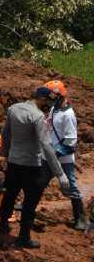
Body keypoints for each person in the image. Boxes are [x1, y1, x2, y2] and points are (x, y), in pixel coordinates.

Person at [0, 87, 70, 248]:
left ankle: (2, 227)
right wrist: (60, 173)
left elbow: (5, 133)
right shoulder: (37, 117)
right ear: (43, 100)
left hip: (14, 163)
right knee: (30, 203)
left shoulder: (13, 109)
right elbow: (46, 146)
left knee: (9, 196)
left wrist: (5, 154)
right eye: (49, 102)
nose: (50, 106)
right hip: (32, 166)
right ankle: (24, 237)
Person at [42, 80, 87, 230]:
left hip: (63, 158)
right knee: (39, 182)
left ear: (59, 96)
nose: (49, 100)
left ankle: (80, 218)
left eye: (52, 97)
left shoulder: (68, 115)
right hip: (50, 155)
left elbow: (71, 141)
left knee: (70, 187)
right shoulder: (54, 109)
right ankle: (27, 205)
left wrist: (54, 153)